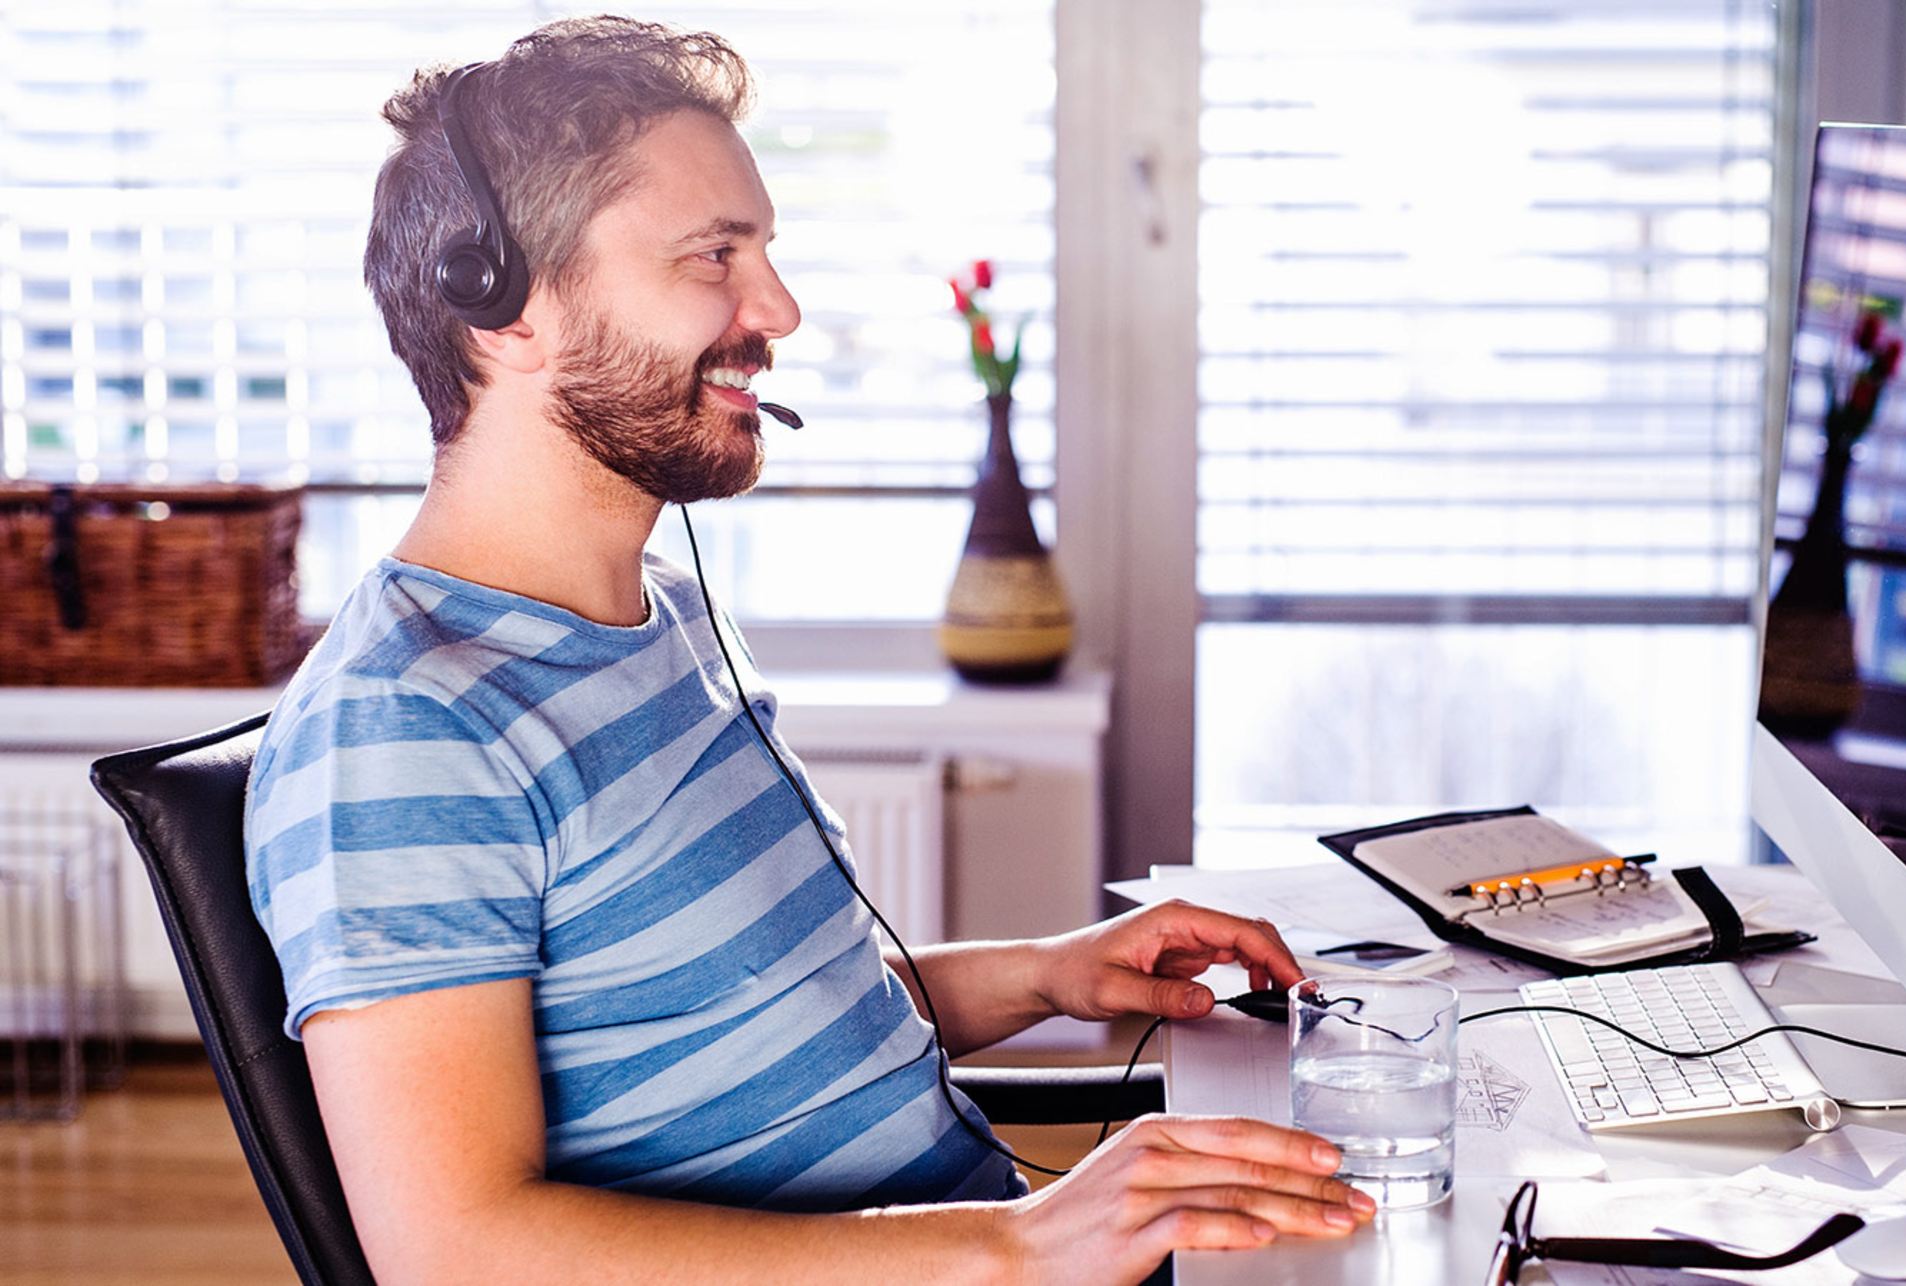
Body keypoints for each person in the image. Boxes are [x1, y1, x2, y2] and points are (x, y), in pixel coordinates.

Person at [242, 15, 1369, 1286]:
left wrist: (1049, 973)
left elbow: (760, 1022)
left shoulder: (661, 616)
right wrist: (1015, 1245)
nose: (777, 308)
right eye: (713, 256)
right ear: (502, 308)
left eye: (764, 252)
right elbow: (452, 1250)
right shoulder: (408, 726)